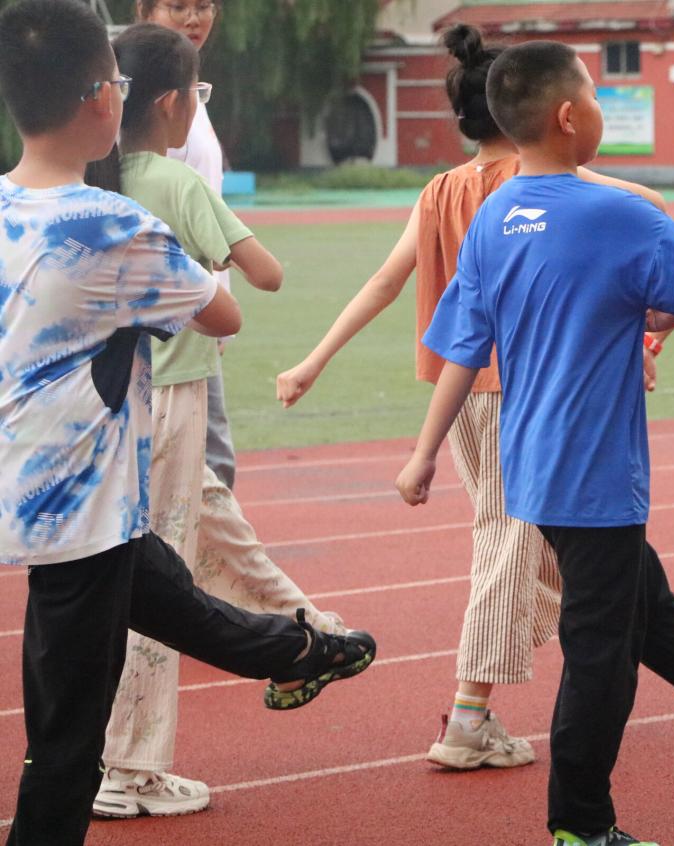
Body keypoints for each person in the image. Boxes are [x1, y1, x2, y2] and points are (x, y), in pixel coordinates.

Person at [393, 40, 674, 846]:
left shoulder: (493, 218)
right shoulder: (619, 214)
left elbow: (461, 347)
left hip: (530, 466)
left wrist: (424, 453)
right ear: (567, 116)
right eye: (593, 96)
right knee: (601, 652)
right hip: (594, 471)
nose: (597, 108)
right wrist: (648, 309)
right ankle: (580, 824)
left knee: (638, 601)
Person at [0, 2, 375, 843]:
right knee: (65, 743)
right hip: (79, 513)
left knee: (169, 595)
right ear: (102, 98)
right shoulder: (113, 226)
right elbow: (223, 313)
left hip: (49, 487)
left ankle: (297, 651)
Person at [277, 24, 667, 771]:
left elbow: (385, 281)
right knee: (509, 541)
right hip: (531, 390)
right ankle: (468, 715)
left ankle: (606, 652)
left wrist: (313, 361)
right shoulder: (543, 183)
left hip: (459, 396)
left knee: (540, 546)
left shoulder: (441, 191)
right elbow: (646, 201)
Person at [82, 23, 349, 819]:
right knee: (158, 579)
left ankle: (306, 628)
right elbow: (266, 275)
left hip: (107, 400)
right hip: (172, 396)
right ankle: (129, 768)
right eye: (196, 95)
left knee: (206, 525)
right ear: (172, 102)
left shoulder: (94, 177)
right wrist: (209, 258)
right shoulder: (176, 183)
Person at [137, 0, 237, 489]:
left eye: (204, 6)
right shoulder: (143, 101)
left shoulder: (192, 95)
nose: (194, 18)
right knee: (204, 463)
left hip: (201, 301)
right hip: (174, 304)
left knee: (203, 459)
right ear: (144, 10)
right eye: (178, 6)